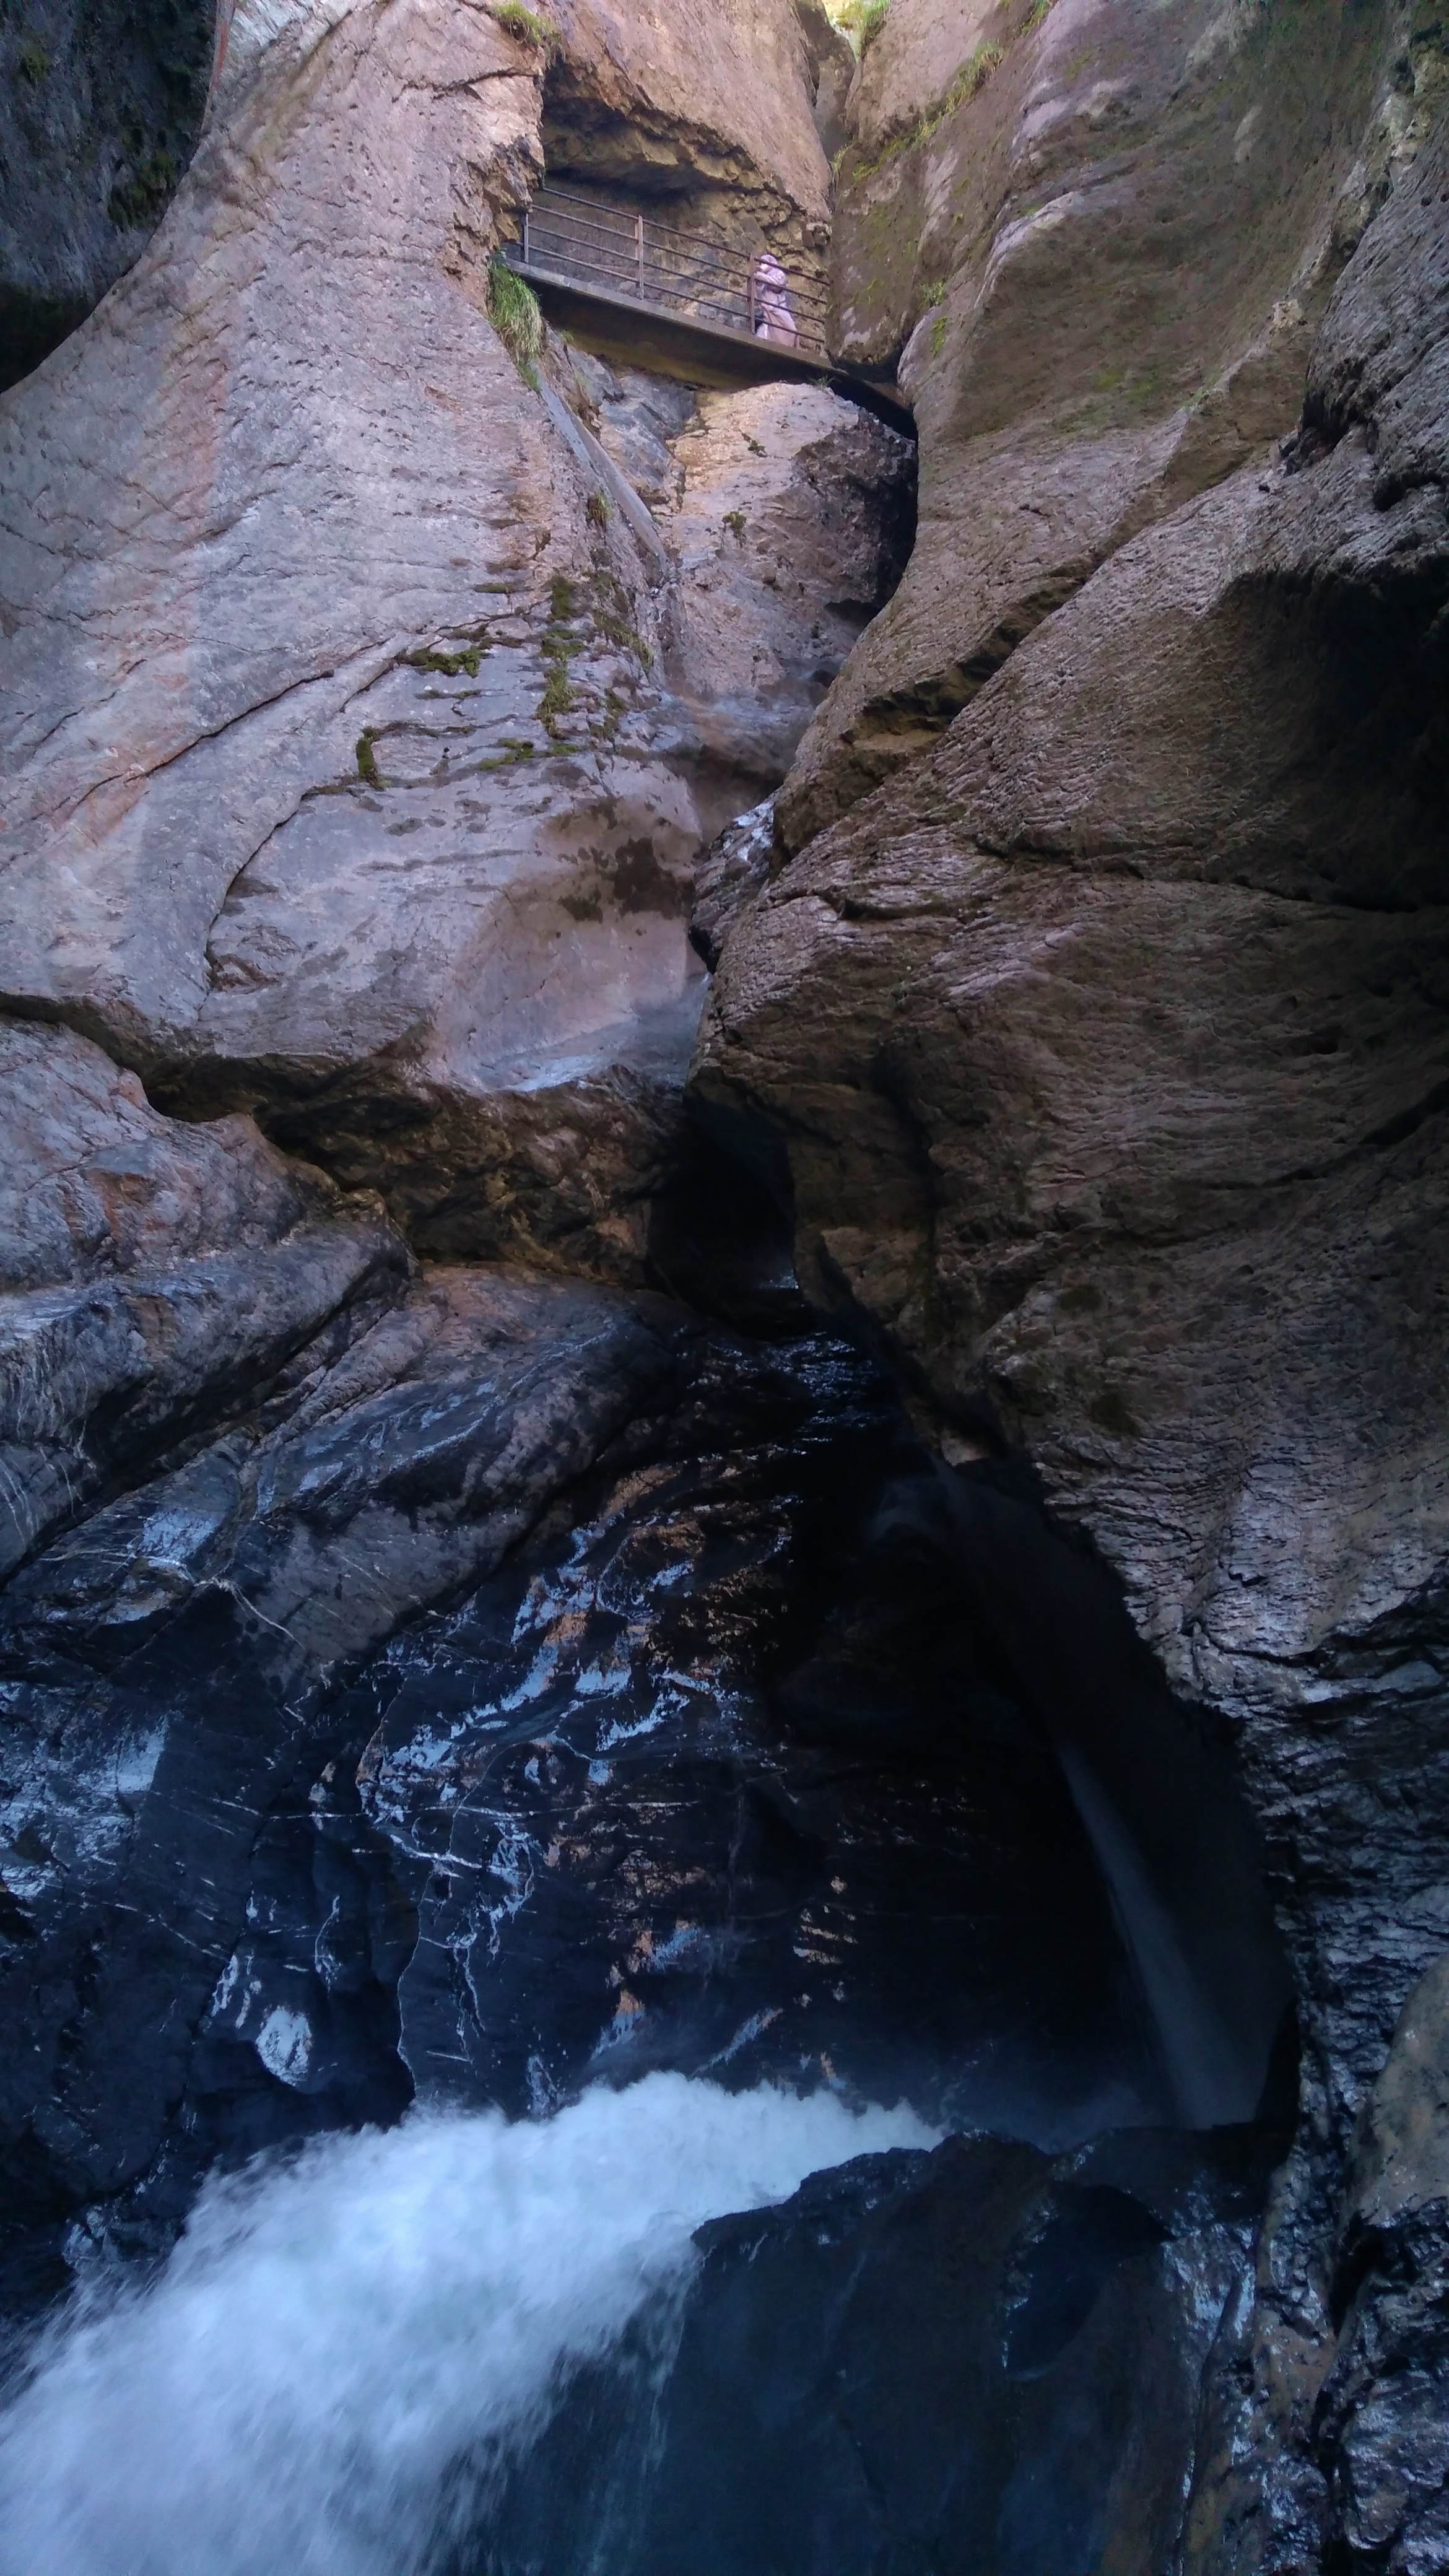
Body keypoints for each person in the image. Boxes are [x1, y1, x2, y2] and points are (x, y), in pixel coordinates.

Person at [751, 251, 799, 347]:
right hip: (766, 310)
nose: (762, 265)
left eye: (764, 263)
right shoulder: (761, 279)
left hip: (777, 308)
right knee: (764, 331)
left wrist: (761, 277)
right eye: (761, 263)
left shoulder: (778, 273)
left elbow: (777, 285)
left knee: (791, 329)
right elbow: (758, 295)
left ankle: (788, 347)